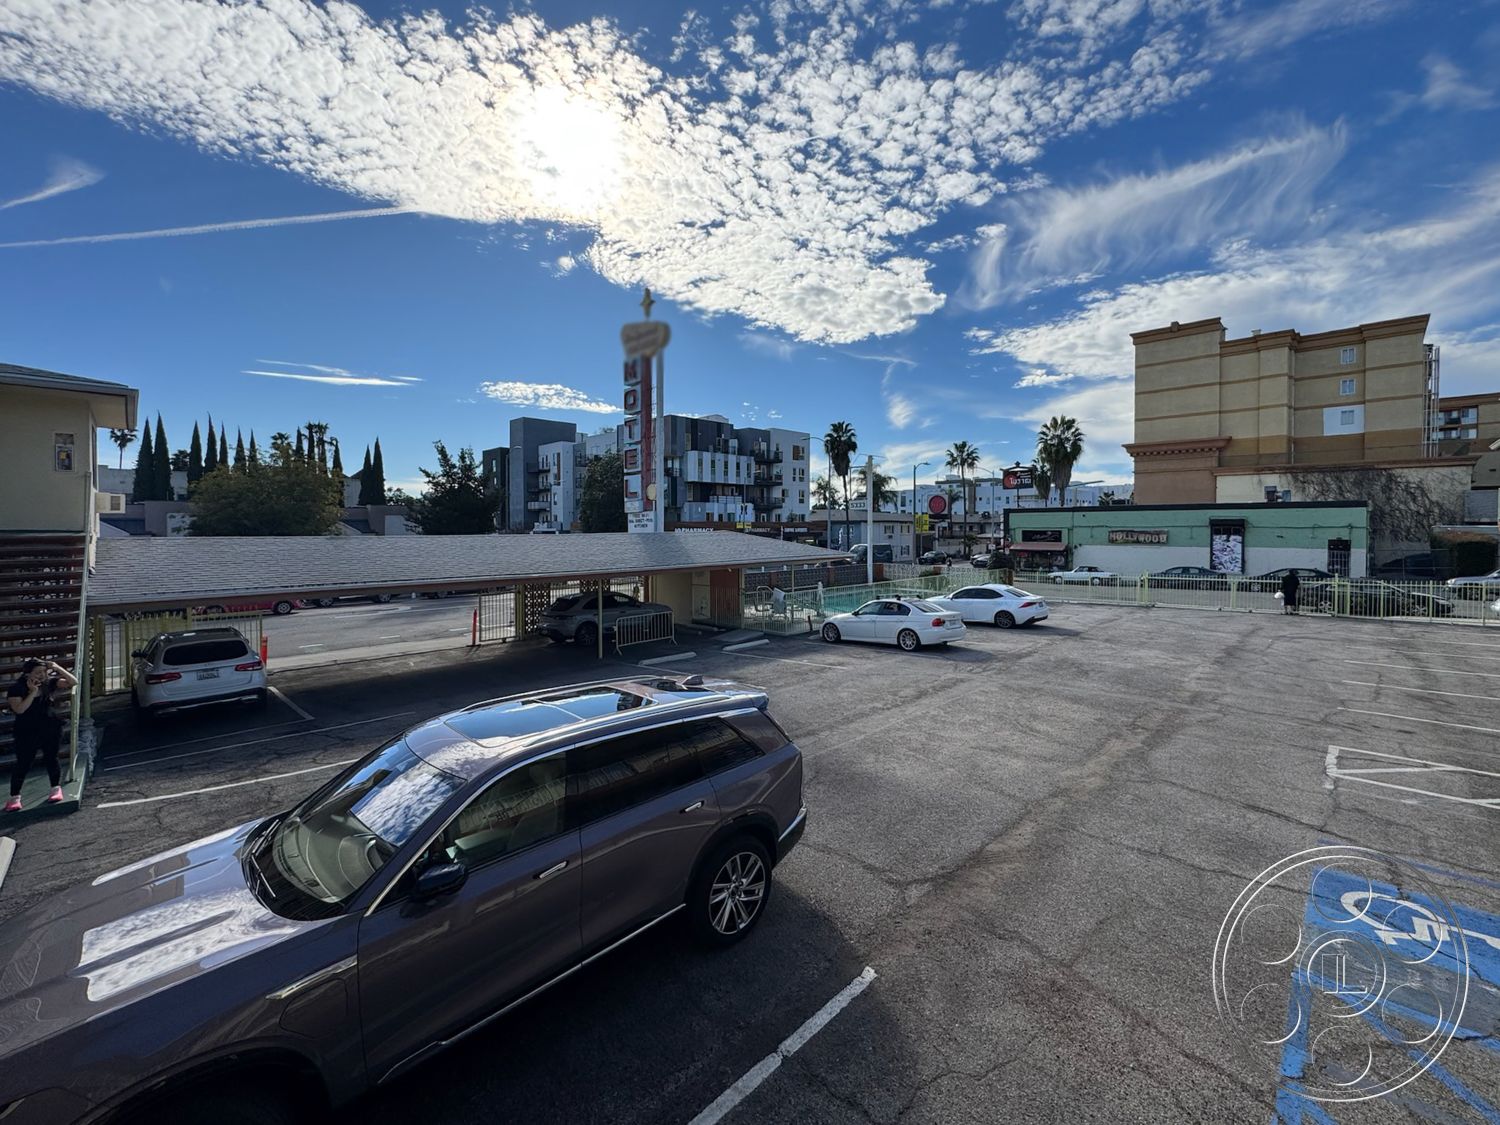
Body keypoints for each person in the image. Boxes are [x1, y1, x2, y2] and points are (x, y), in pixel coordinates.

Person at [5, 658, 75, 810]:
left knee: (51, 757)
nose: (42, 675)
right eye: (37, 672)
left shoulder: (49, 683)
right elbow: (20, 709)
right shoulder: (17, 688)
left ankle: (55, 788)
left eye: (44, 671)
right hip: (26, 730)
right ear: (27, 673)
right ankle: (14, 797)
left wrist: (56, 667)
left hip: (50, 726)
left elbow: (73, 682)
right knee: (24, 762)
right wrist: (33, 692)